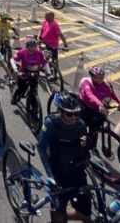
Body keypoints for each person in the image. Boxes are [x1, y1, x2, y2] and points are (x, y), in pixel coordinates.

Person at [36, 92, 92, 223]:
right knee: (57, 211)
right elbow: (40, 147)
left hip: (78, 173)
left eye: (76, 114)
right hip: (58, 174)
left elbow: (85, 148)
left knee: (86, 214)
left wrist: (89, 142)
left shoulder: (81, 125)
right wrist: (50, 175)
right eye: (69, 114)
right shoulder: (50, 124)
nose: (73, 118)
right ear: (60, 111)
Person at [78, 66, 120, 133]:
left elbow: (112, 94)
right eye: (95, 77)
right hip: (85, 106)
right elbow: (89, 94)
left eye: (101, 77)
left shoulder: (107, 84)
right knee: (82, 127)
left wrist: (119, 101)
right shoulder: (86, 83)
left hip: (98, 109)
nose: (98, 79)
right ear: (91, 76)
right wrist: (100, 104)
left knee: (95, 131)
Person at [10, 38, 48, 104]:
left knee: (34, 90)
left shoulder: (39, 53)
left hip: (35, 73)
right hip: (23, 72)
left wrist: (49, 73)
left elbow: (45, 63)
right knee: (21, 88)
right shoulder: (22, 52)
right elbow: (12, 60)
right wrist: (15, 69)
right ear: (27, 46)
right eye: (31, 47)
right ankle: (15, 96)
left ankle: (35, 107)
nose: (33, 48)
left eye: (35, 46)